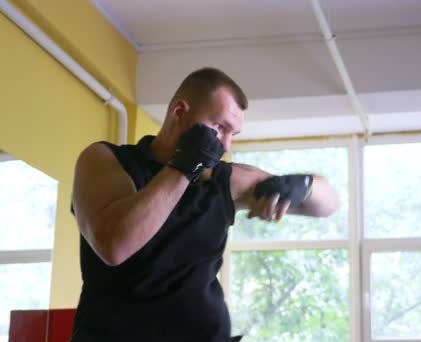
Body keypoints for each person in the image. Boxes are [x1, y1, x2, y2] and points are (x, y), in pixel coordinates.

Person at [70, 67, 340, 341]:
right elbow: (115, 246)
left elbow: (328, 205)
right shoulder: (106, 161)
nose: (225, 145)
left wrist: (303, 185)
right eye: (220, 127)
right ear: (179, 112)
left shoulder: (223, 180)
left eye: (233, 133)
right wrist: (185, 167)